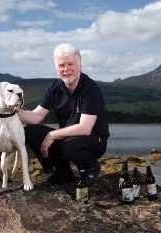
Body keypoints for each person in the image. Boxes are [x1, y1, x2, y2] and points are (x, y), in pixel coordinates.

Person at [17, 43, 109, 184]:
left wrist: (53, 134)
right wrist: (12, 111)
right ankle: (63, 172)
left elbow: (85, 128)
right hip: (68, 138)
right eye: (61, 65)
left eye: (70, 64)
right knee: (30, 131)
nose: (66, 69)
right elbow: (36, 116)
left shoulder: (90, 88)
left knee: (68, 145)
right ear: (56, 68)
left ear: (79, 65)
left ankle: (91, 167)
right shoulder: (54, 88)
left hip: (94, 140)